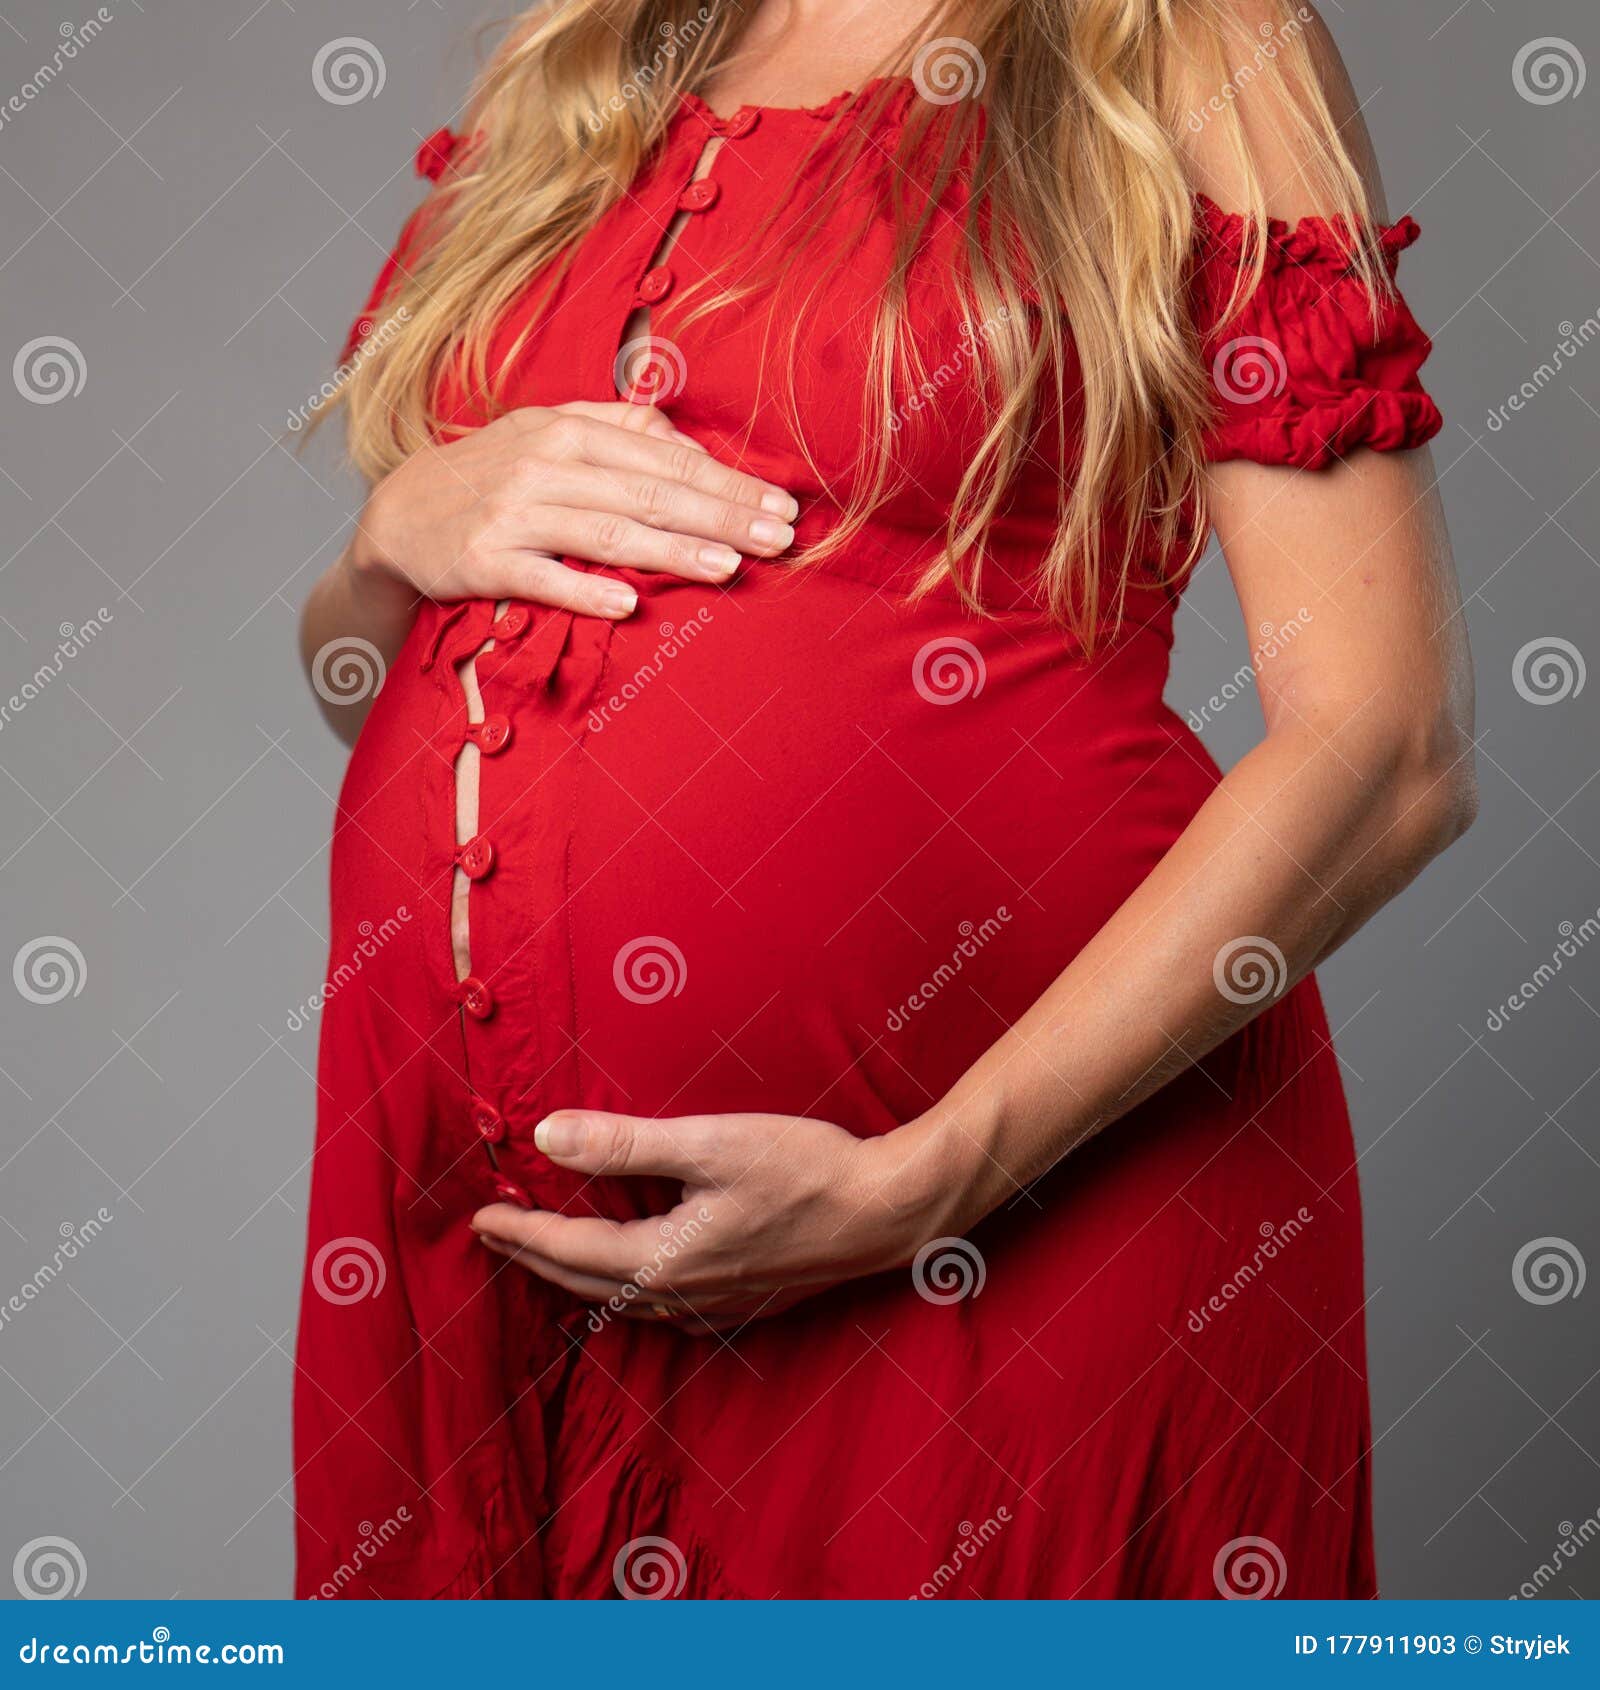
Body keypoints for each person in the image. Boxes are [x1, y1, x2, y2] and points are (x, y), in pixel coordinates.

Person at [294, 0, 1474, 1599]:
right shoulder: (584, 55)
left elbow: (1387, 744)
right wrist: (383, 547)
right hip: (487, 1265)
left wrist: (933, 1175)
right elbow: (371, 679)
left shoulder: (1188, 38)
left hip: (1032, 1224)